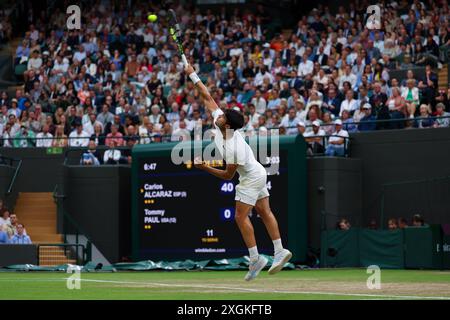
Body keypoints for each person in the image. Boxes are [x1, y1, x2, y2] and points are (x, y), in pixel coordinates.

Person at [185, 63, 291, 281]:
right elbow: (205, 96)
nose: (219, 115)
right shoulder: (221, 123)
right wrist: (192, 74)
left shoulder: (234, 147)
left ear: (228, 126)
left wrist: (204, 166)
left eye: (223, 117)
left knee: (240, 217)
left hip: (251, 177)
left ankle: (255, 258)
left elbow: (227, 176)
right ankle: (279, 251)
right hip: (258, 172)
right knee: (264, 212)